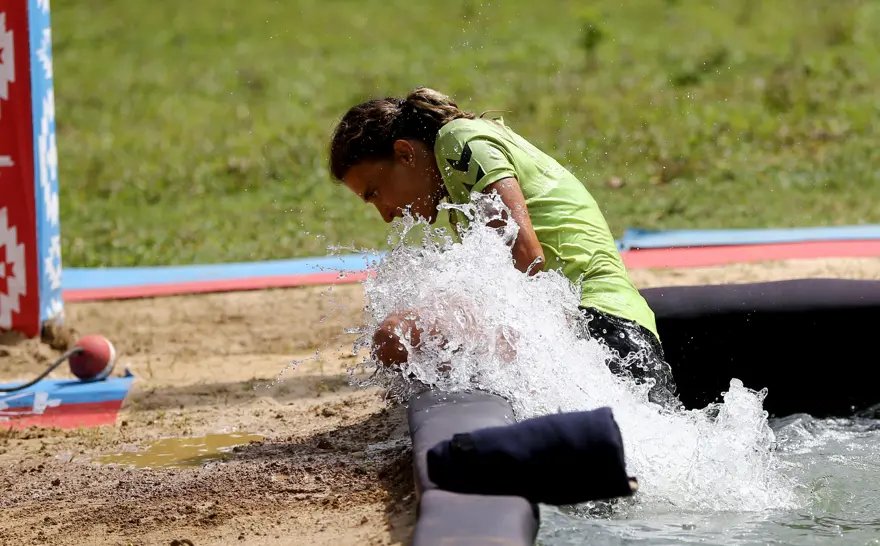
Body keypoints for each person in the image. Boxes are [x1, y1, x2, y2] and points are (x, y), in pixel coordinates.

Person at [328, 87, 679, 409]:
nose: (386, 215)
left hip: (604, 329)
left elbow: (525, 257)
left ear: (404, 153)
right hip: (599, 334)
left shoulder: (457, 140)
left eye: (374, 192)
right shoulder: (456, 173)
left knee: (396, 336)